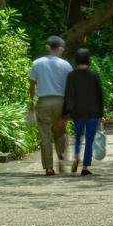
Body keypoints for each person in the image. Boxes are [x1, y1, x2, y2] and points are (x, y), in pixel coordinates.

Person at [28, 35, 72, 175]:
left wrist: (31, 101)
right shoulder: (66, 65)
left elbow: (32, 85)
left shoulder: (37, 63)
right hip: (61, 102)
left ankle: (48, 167)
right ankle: (62, 162)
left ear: (48, 48)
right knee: (61, 133)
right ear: (60, 48)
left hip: (44, 102)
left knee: (45, 136)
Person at [62, 48, 104, 176]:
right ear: (89, 60)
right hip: (93, 112)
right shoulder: (94, 75)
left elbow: (68, 95)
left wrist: (66, 112)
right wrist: (101, 114)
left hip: (77, 112)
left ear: (76, 60)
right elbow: (100, 95)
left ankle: (76, 155)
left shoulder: (71, 75)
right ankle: (85, 166)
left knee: (78, 136)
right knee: (90, 139)